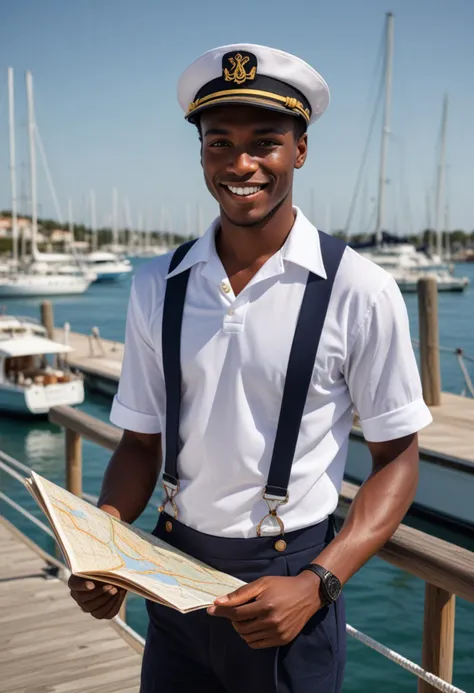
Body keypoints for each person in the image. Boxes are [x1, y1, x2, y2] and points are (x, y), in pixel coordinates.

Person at [68, 43, 433, 692]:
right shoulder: (159, 283)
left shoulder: (359, 289)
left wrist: (319, 580)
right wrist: (109, 549)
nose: (240, 164)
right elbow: (139, 442)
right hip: (172, 579)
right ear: (201, 151)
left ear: (301, 149)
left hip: (289, 588)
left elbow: (398, 458)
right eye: (219, 143)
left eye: (265, 142)